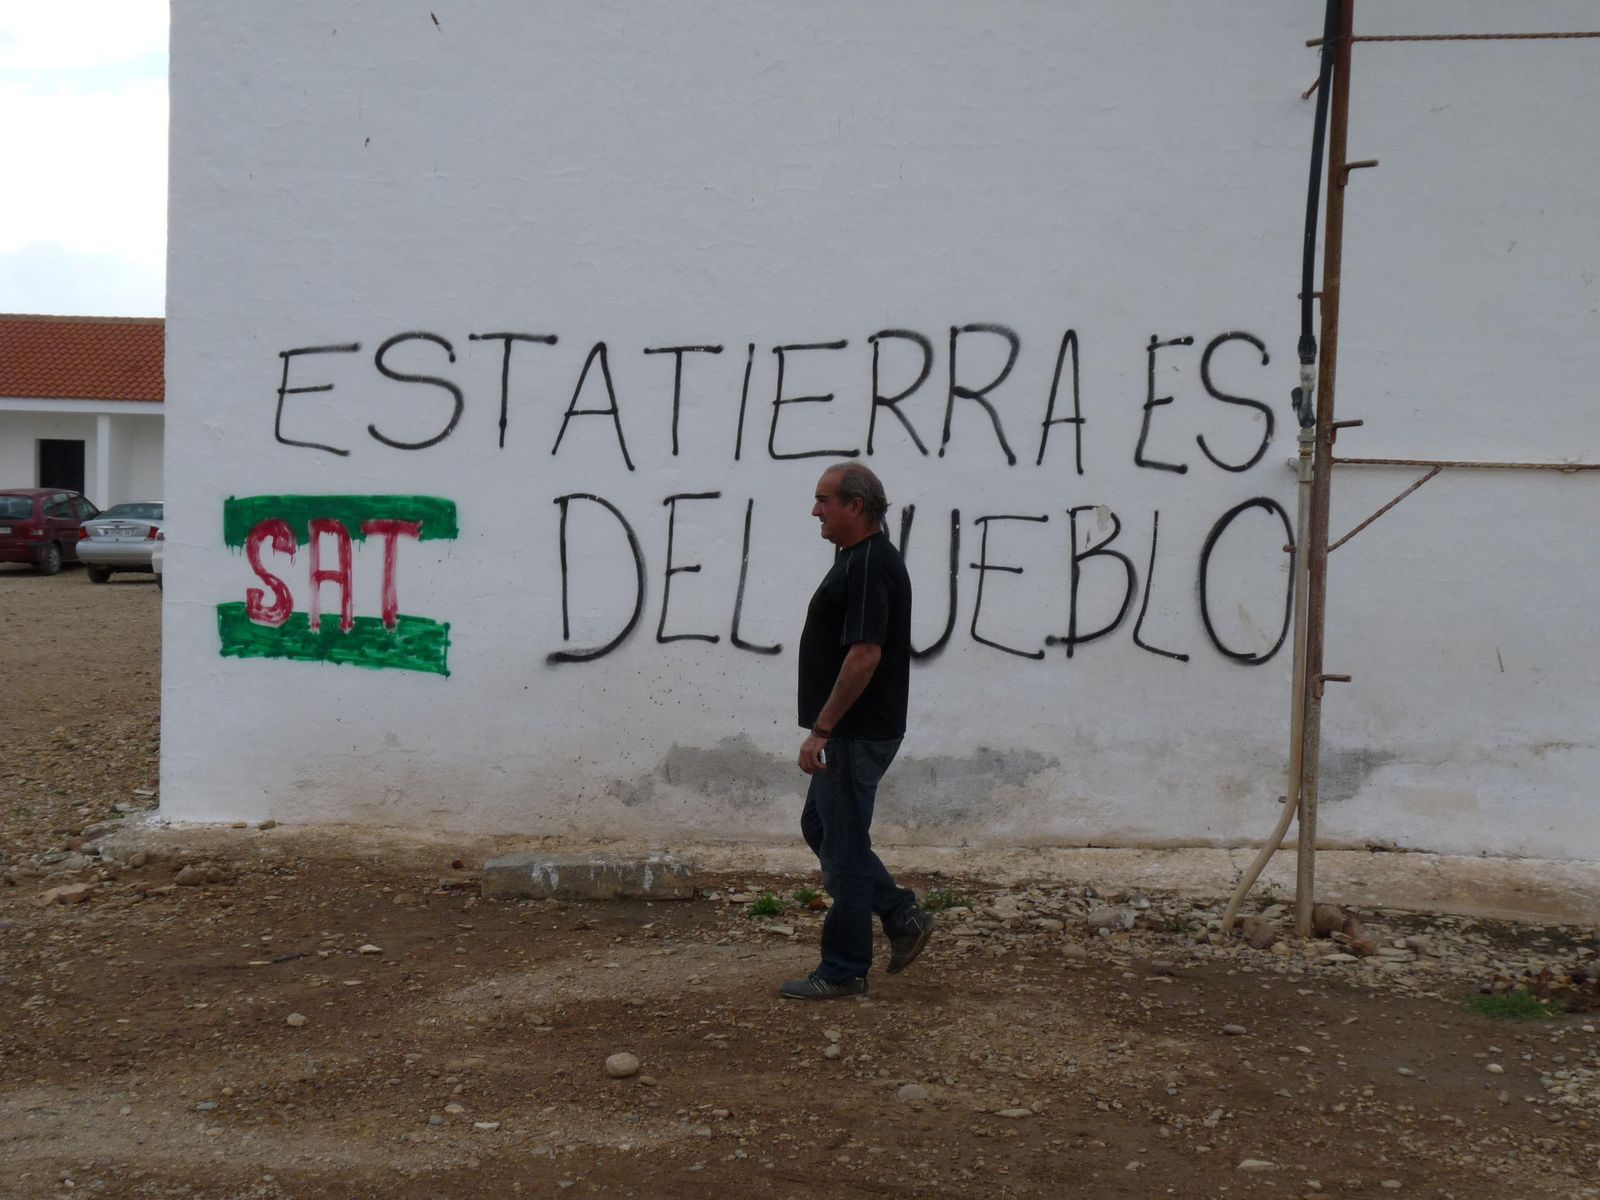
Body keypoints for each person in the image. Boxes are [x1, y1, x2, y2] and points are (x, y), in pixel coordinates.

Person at [779, 461, 935, 1000]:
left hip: (854, 731)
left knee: (843, 848)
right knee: (822, 828)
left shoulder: (869, 563)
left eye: (824, 500)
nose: (814, 510)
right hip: (851, 731)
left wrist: (822, 728)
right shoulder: (855, 558)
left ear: (856, 506)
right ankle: (900, 913)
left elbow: (866, 653)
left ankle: (845, 969)